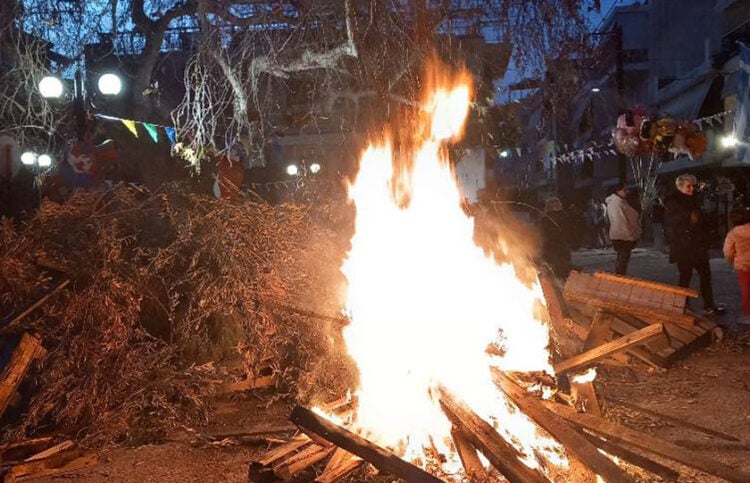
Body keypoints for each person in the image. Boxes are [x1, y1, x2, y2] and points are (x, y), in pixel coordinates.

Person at [665, 174, 724, 315]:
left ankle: (709, 305)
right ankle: (683, 305)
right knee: (685, 276)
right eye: (688, 186)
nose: (692, 188)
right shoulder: (672, 201)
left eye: (693, 186)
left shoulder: (694, 199)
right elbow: (672, 223)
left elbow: (700, 221)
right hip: (684, 247)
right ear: (680, 187)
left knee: (705, 276)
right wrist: (688, 218)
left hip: (698, 246)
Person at [605, 183, 641, 275]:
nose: (627, 192)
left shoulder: (619, 202)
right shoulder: (617, 203)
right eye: (624, 190)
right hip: (623, 235)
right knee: (623, 257)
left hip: (620, 234)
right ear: (618, 191)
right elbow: (620, 221)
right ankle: (620, 275)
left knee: (622, 257)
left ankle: (620, 274)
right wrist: (630, 235)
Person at [723, 206, 750, 324]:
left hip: (743, 266)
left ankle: (746, 315)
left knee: (746, 290)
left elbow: (727, 251)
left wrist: (731, 261)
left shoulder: (732, 234)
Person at [539, 197, 572, 279]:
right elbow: (571, 232)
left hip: (550, 250)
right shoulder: (566, 217)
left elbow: (541, 235)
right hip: (563, 248)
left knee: (552, 274)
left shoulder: (545, 219)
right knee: (564, 273)